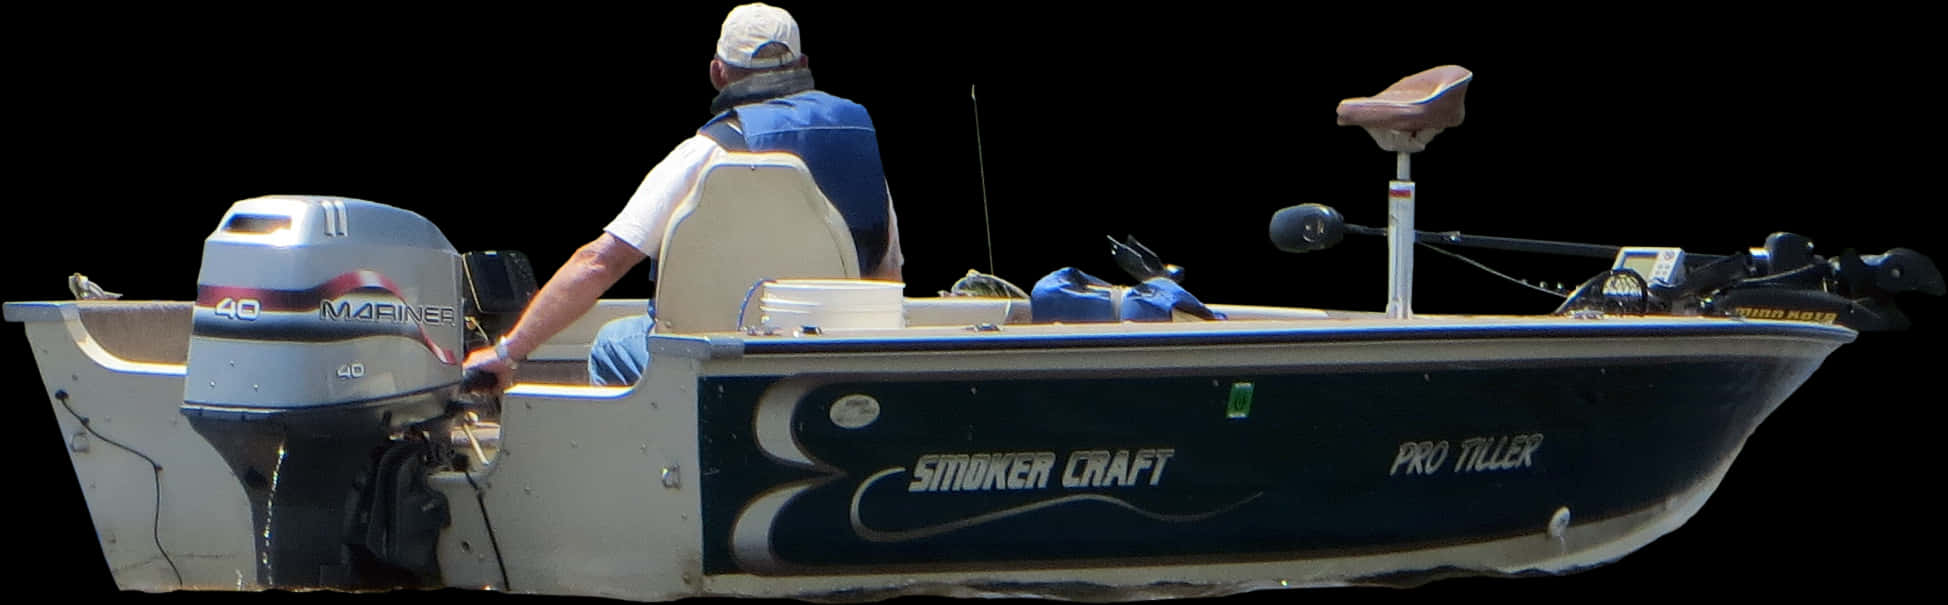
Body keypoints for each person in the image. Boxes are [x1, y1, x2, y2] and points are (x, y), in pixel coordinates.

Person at [463, 3, 904, 389]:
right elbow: (886, 276)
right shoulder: (859, 146)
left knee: (612, 342)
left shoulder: (708, 151)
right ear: (803, 62)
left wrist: (506, 353)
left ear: (718, 72)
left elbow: (600, 261)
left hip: (718, 359)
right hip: (826, 359)